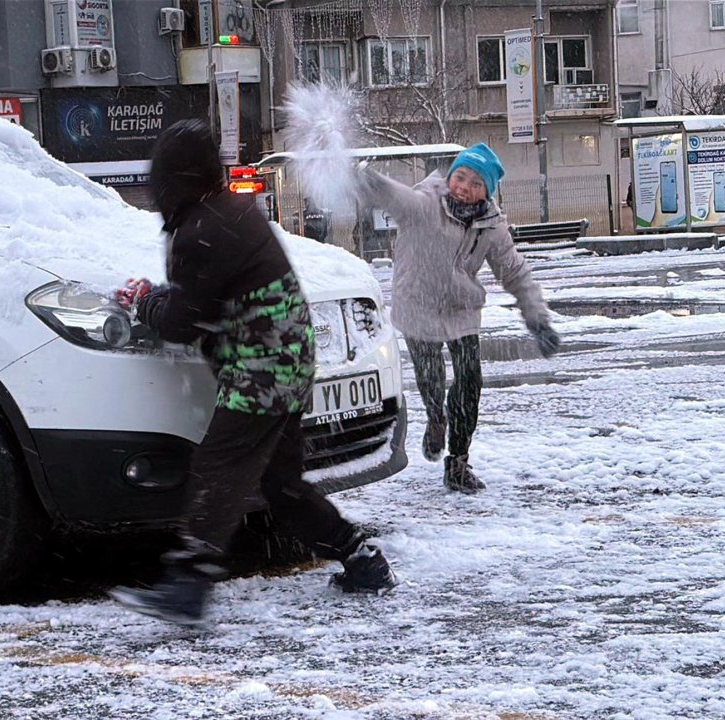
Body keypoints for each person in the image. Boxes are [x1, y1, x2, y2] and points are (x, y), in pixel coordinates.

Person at [108, 120, 398, 628]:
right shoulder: (227, 213)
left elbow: (182, 321)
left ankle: (189, 584)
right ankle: (361, 558)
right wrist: (162, 298)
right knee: (281, 485)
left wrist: (145, 302)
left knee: (218, 466)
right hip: (288, 362)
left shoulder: (201, 230)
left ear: (172, 178)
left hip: (259, 370)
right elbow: (207, 298)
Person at [363, 143, 559, 493]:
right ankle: (436, 417)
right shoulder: (425, 204)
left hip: (460, 309)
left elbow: (514, 272)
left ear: (487, 192)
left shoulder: (491, 226)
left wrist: (536, 317)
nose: (464, 188)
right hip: (418, 304)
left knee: (470, 380)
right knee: (432, 377)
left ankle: (458, 463)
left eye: (476, 183)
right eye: (461, 177)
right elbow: (395, 196)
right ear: (451, 175)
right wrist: (365, 178)